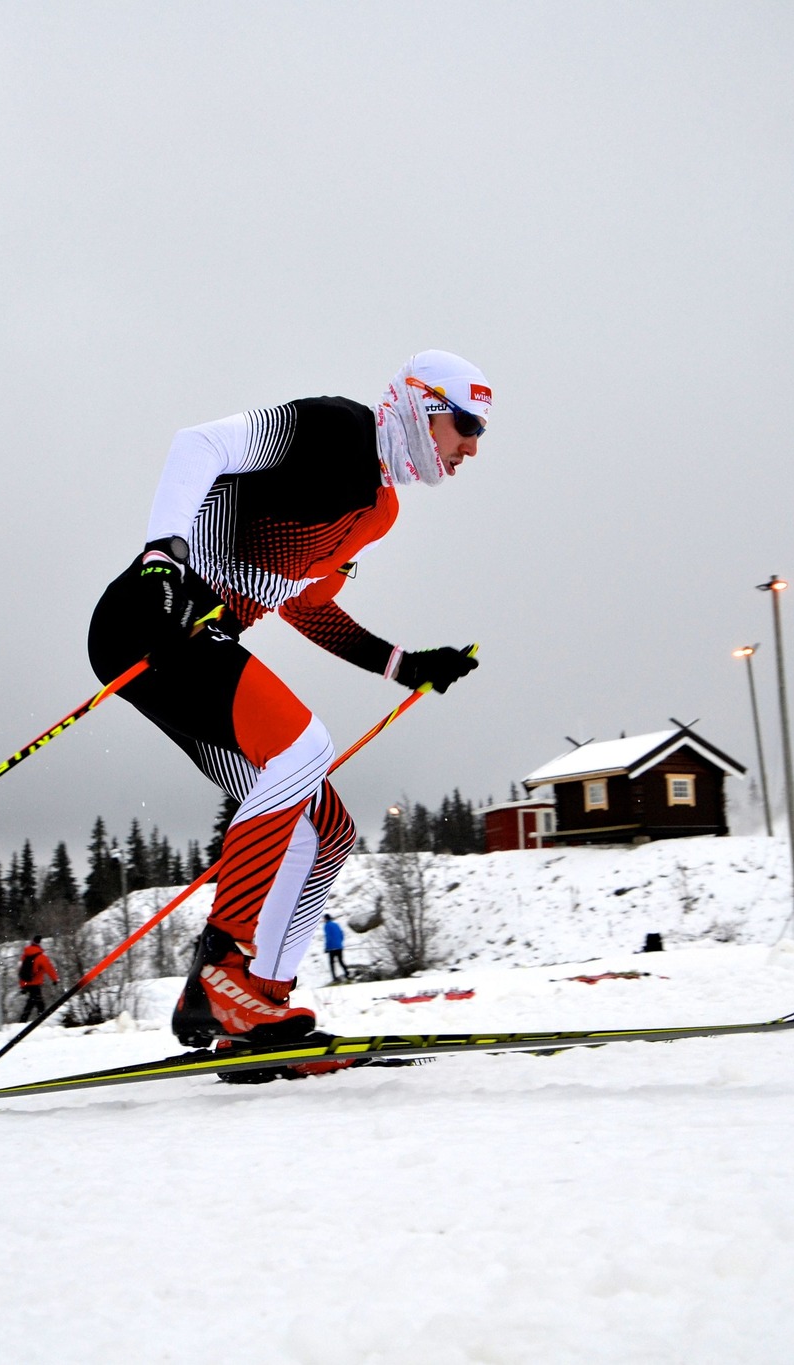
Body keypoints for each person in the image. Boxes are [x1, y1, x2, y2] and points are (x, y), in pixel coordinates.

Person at [89, 351, 489, 1048]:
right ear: (423, 408)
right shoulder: (335, 428)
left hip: (202, 640)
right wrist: (163, 556)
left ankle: (254, 1009)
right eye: (465, 424)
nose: (472, 447)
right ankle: (223, 970)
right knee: (302, 747)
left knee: (325, 832)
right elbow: (200, 444)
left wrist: (402, 664)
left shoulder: (378, 509)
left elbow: (303, 601)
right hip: (152, 615)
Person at [17, 936, 59, 1022]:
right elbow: (49, 968)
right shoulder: (41, 957)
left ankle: (41, 1020)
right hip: (35, 983)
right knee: (33, 1002)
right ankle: (24, 1021)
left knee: (38, 1002)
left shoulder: (25, 955)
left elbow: (21, 970)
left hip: (26, 982)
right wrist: (55, 979)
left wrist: (22, 985)